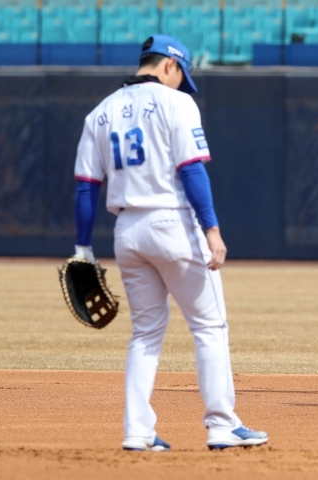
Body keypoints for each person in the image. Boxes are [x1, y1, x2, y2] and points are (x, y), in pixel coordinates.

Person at [72, 34, 268, 450]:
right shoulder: (177, 103)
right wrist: (212, 229)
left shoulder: (99, 113)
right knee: (209, 326)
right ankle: (222, 424)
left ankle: (137, 431)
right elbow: (192, 171)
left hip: (127, 231)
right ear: (169, 66)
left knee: (144, 334)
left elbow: (86, 187)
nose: (182, 84)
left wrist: (83, 248)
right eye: (182, 76)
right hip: (172, 224)